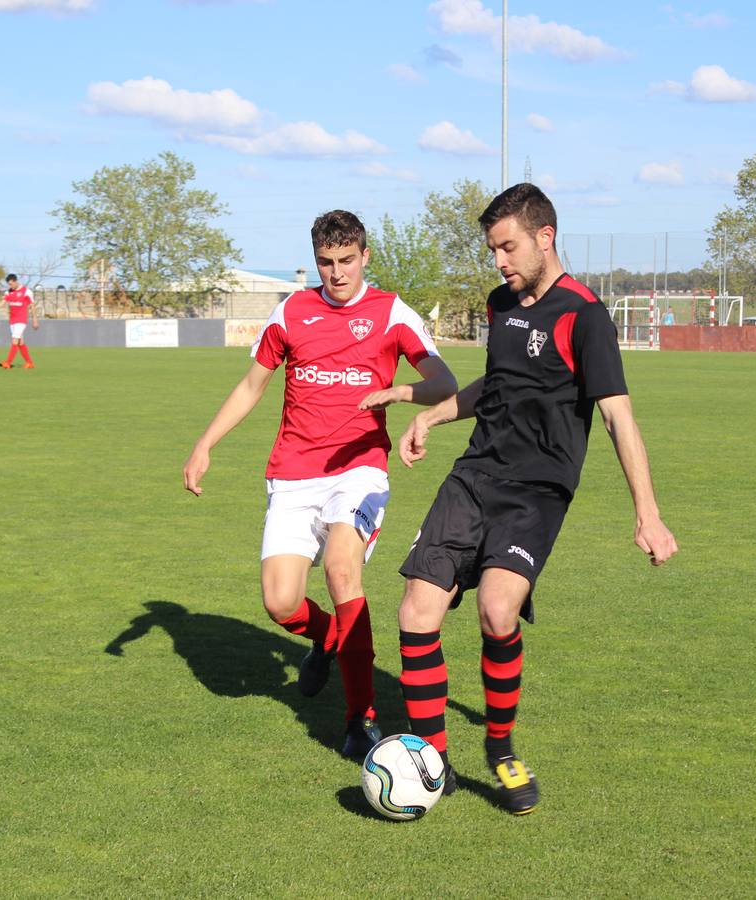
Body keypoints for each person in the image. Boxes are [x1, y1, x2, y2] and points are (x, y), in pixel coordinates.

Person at [394, 183, 679, 815]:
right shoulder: (501, 305)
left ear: (544, 236)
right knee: (417, 612)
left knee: (497, 612)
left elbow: (617, 418)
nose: (499, 260)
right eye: (493, 248)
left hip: (537, 492)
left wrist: (648, 515)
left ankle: (500, 747)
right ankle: (431, 759)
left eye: (508, 246)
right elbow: (494, 386)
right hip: (473, 477)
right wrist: (432, 417)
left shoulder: (586, 315)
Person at [183, 210, 458, 758]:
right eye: (326, 263)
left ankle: (361, 719)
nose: (336, 274)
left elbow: (445, 382)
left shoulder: (390, 313)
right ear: (316, 261)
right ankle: (332, 642)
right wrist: (205, 443)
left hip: (359, 470)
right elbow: (251, 385)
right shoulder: (290, 311)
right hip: (292, 472)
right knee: (281, 603)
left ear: (365, 257)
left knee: (340, 569)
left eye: (347, 261)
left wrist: (399, 395)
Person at [0, 274, 38, 369]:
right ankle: (29, 363)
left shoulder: (27, 291)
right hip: (12, 320)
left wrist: (35, 320)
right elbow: (3, 302)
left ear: (16, 281)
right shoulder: (8, 292)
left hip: (21, 320)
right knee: (20, 342)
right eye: (9, 284)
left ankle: (8, 362)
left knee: (14, 340)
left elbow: (32, 306)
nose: (10, 286)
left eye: (11, 284)